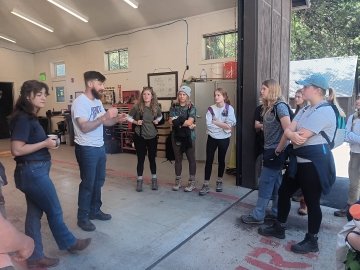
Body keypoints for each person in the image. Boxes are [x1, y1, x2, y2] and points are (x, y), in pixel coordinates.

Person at [10, 80, 91, 268]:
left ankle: (34, 257)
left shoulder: (28, 117)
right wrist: (44, 144)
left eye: (45, 94)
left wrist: (47, 143)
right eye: (40, 95)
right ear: (28, 96)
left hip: (32, 171)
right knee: (54, 209)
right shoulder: (23, 118)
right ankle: (70, 242)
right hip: (33, 172)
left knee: (33, 215)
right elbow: (17, 149)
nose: (44, 98)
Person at [258, 73, 337, 254]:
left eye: (305, 87)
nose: (302, 89)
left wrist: (291, 134)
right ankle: (280, 227)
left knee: (312, 201)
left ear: (317, 90)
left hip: (314, 164)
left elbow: (299, 136)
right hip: (298, 162)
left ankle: (312, 240)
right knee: (284, 192)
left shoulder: (324, 110)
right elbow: (289, 132)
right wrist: (284, 142)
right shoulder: (305, 109)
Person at [71, 71, 127, 232]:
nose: (102, 87)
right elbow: (84, 127)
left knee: (98, 181)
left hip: (99, 147)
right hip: (86, 148)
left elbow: (105, 122)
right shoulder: (80, 103)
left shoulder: (97, 101)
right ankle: (82, 217)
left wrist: (116, 119)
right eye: (100, 84)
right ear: (90, 84)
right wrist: (105, 117)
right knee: (88, 183)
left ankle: (95, 211)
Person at [241, 79, 291, 224]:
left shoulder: (280, 106)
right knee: (276, 183)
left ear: (272, 90)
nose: (261, 91)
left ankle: (258, 215)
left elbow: (288, 130)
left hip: (275, 151)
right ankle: (276, 211)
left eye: (264, 89)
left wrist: (277, 150)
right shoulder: (268, 107)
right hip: (271, 149)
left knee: (265, 183)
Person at [198, 88, 236, 195]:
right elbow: (209, 125)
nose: (216, 97)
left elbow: (229, 126)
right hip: (212, 138)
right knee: (209, 160)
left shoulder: (229, 108)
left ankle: (219, 181)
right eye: (215, 95)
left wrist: (217, 122)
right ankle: (206, 184)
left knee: (221, 160)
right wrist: (223, 125)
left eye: (218, 95)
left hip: (224, 139)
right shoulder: (211, 109)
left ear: (224, 97)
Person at [127, 87, 162, 192]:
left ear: (152, 96)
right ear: (142, 96)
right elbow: (129, 117)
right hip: (140, 136)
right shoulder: (137, 106)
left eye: (148, 94)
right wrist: (136, 122)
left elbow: (160, 117)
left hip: (152, 136)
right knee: (140, 159)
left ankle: (154, 180)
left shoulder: (156, 107)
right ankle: (139, 181)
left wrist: (157, 121)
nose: (146, 96)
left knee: (152, 159)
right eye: (144, 94)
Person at [334, 96, 360, 217]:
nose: (358, 102)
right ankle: (351, 207)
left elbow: (350, 135)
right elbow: (345, 135)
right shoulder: (353, 117)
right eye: (358, 99)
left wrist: (353, 136)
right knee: (353, 183)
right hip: (355, 153)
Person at [169, 85, 197, 192]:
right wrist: (183, 121)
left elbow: (190, 121)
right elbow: (170, 121)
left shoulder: (192, 107)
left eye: (184, 94)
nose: (181, 96)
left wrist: (178, 120)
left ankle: (192, 182)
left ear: (187, 96)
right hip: (176, 136)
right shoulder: (174, 107)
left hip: (190, 136)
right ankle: (178, 181)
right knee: (178, 159)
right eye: (180, 94)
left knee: (191, 159)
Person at [292, 88, 309, 216]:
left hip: (304, 150)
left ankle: (304, 202)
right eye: (295, 96)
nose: (296, 99)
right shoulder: (296, 111)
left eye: (299, 96)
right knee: (295, 175)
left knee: (305, 177)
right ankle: (300, 196)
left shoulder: (307, 112)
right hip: (294, 149)